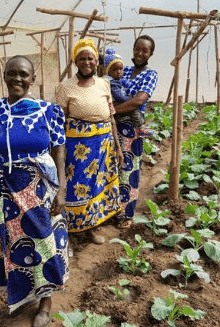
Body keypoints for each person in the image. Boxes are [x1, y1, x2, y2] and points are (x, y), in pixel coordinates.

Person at [0, 55, 69, 327]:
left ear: (32, 79)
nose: (17, 78)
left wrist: (61, 189)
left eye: (23, 74)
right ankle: (22, 293)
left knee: (43, 243)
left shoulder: (48, 111)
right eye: (12, 73)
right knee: (11, 244)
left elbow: (59, 152)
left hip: (39, 188)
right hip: (4, 187)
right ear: (4, 76)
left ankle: (46, 302)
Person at [55, 38, 122, 245]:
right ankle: (72, 231)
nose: (87, 62)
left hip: (103, 146)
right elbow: (58, 122)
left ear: (97, 61)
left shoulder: (104, 84)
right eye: (82, 59)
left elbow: (111, 117)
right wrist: (59, 151)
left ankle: (92, 227)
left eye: (90, 58)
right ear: (75, 62)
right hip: (77, 149)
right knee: (76, 188)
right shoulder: (65, 87)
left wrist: (118, 148)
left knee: (96, 189)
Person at [112, 35, 158, 229]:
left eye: (144, 50)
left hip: (131, 128)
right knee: (112, 167)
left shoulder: (151, 74)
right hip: (113, 125)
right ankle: (111, 210)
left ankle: (126, 214)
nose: (140, 53)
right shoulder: (124, 69)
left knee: (129, 170)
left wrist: (110, 110)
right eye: (137, 49)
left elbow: (138, 101)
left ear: (150, 53)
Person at [103, 48, 153, 138]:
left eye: (120, 69)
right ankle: (140, 127)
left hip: (111, 105)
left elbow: (123, 82)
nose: (119, 72)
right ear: (109, 71)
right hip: (114, 102)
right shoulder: (112, 82)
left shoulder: (113, 79)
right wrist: (128, 99)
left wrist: (128, 84)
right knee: (132, 108)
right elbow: (118, 95)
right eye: (115, 70)